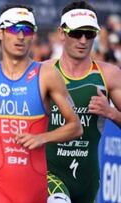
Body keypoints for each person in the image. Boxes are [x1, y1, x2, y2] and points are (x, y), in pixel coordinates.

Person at [0, 5, 83, 203]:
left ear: (33, 35)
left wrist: (42, 138)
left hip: (33, 187)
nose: (20, 36)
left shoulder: (47, 75)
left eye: (26, 29)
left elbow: (75, 127)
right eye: (13, 29)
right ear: (0, 33)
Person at [45, 1, 121, 203]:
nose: (83, 40)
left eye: (89, 33)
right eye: (76, 33)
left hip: (88, 178)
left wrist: (111, 112)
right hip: (49, 173)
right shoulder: (42, 72)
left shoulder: (109, 75)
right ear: (62, 33)